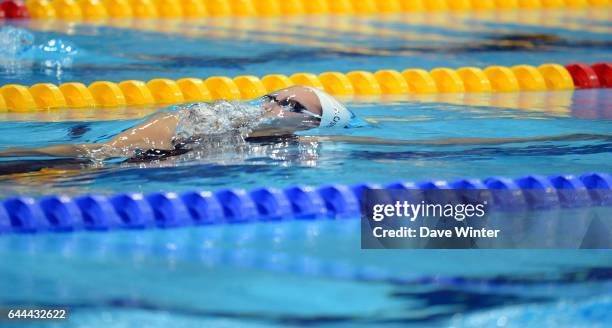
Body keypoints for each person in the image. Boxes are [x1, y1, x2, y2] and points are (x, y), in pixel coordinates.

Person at [0, 85, 609, 162]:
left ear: (309, 127)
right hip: (130, 152)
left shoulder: (287, 144)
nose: (276, 105)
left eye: (294, 106)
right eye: (276, 94)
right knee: (78, 157)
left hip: (146, 160)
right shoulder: (226, 117)